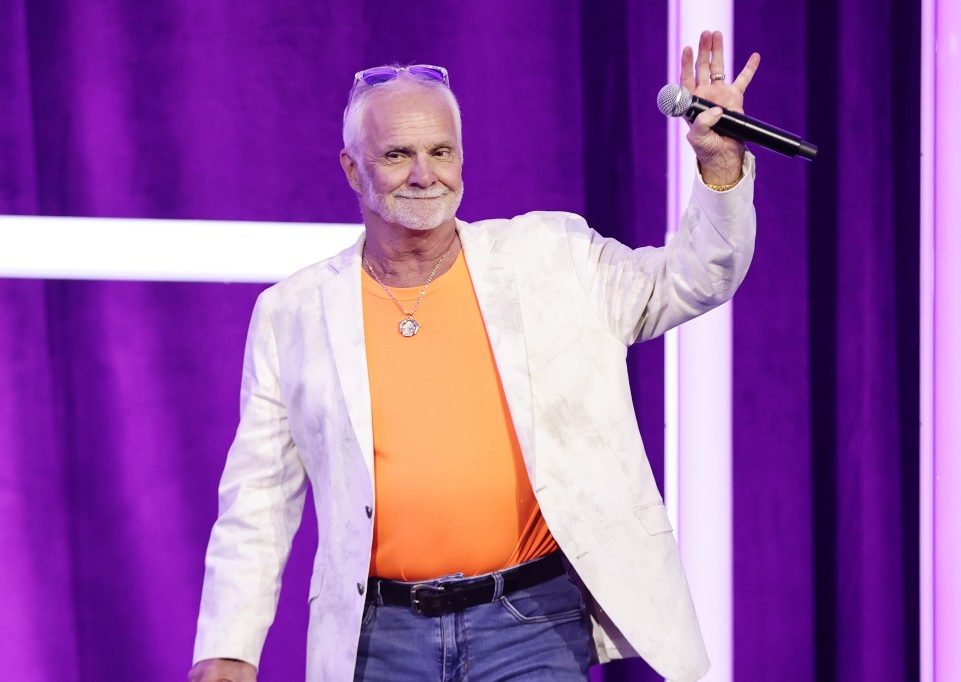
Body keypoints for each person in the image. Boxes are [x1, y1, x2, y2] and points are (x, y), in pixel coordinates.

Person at [190, 30, 760, 682]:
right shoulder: (291, 314)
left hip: (532, 623)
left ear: (463, 159)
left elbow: (692, 279)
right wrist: (228, 648)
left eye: (441, 151)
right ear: (352, 168)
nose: (423, 174)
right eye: (397, 154)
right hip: (381, 638)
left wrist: (719, 169)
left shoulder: (549, 256)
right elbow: (257, 498)